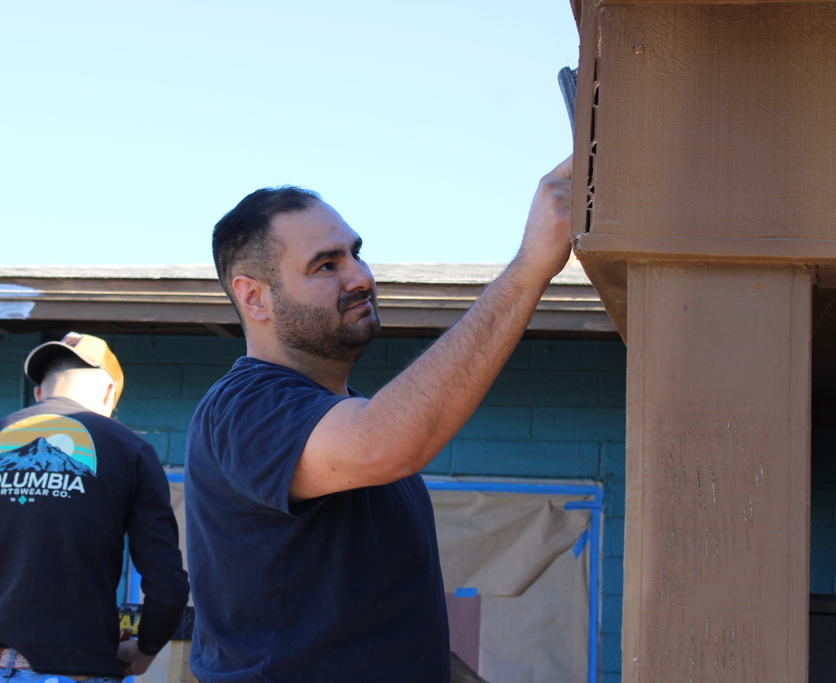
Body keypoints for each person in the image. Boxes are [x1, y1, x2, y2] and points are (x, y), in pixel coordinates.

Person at [184, 157, 573, 682]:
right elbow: (383, 442)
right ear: (254, 296)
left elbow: (376, 631)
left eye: (356, 254)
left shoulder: (343, 424)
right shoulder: (245, 406)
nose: (361, 278)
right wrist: (529, 268)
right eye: (326, 265)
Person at [0, 332, 189, 682]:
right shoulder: (128, 450)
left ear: (39, 393)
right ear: (109, 394)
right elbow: (167, 585)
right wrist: (144, 651)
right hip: (79, 669)